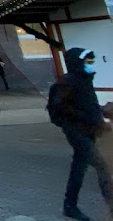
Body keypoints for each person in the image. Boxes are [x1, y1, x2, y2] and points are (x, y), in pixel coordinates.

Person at [52, 48, 113, 221]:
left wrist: (101, 113)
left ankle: (69, 206)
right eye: (88, 63)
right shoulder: (67, 83)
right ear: (78, 63)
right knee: (102, 166)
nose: (91, 66)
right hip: (77, 133)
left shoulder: (84, 80)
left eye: (92, 62)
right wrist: (89, 118)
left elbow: (87, 105)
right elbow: (60, 108)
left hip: (89, 131)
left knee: (78, 168)